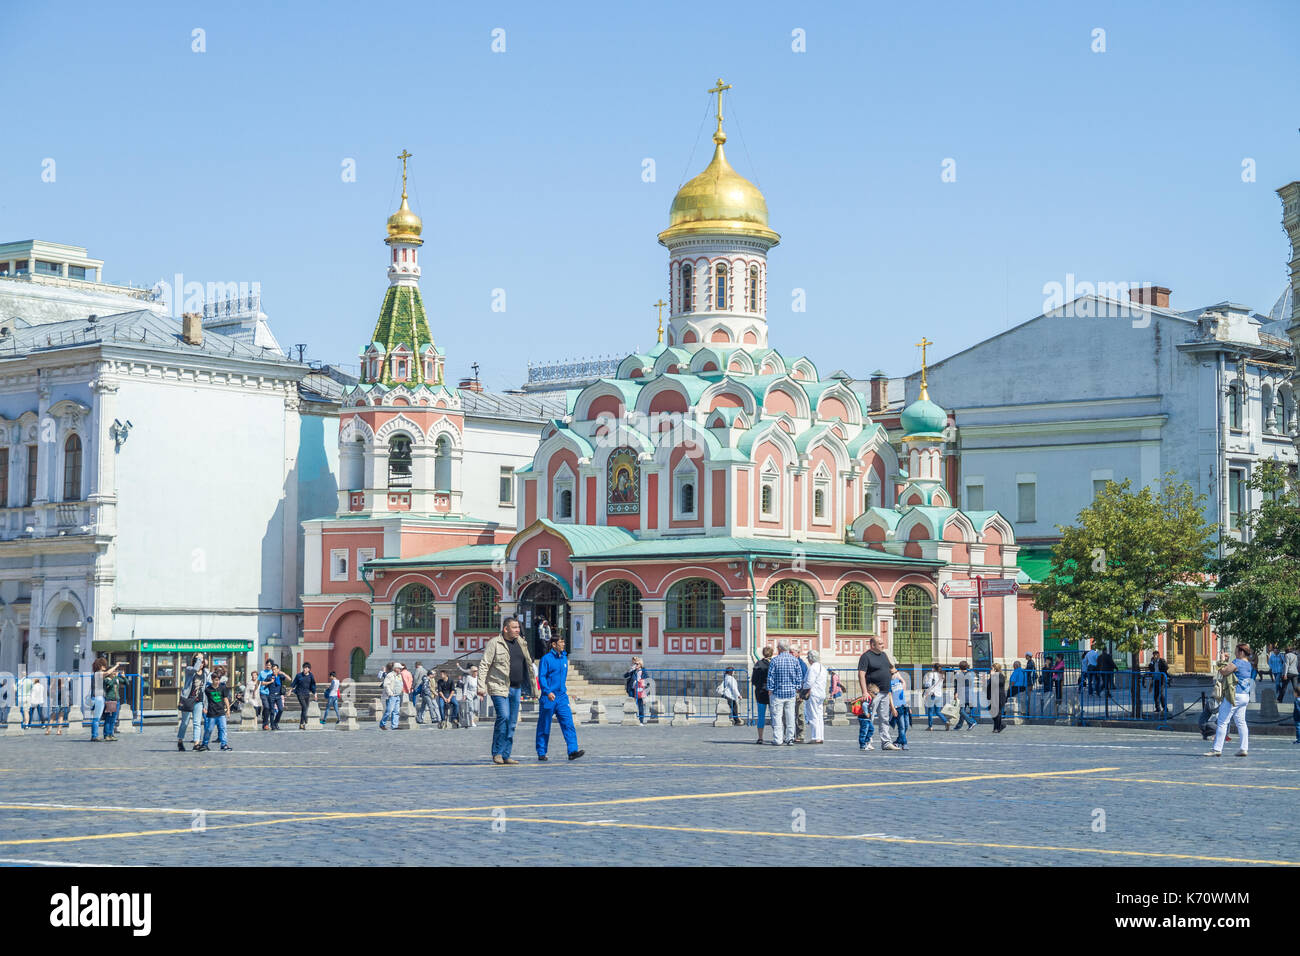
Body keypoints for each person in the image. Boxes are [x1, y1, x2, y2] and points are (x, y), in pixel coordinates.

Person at [479, 616, 537, 765]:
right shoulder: (495, 643)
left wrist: (534, 689)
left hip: (516, 688)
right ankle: (497, 752)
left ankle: (506, 754)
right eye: (514, 627)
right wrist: (481, 687)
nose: (518, 630)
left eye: (518, 627)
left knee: (512, 722)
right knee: (503, 716)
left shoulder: (521, 643)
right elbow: (484, 664)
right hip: (499, 686)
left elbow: (529, 666)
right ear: (506, 629)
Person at [536, 632, 583, 761]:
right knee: (544, 725)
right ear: (554, 644)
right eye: (561, 642)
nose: (563, 644)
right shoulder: (546, 659)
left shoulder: (564, 658)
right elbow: (542, 677)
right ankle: (541, 751)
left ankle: (572, 750)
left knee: (568, 723)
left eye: (563, 642)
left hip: (562, 697)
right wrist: (547, 691)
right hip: (549, 696)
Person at [1205, 644, 1253, 757]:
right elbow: (1232, 669)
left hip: (1234, 695)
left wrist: (1222, 660)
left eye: (1236, 651)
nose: (1235, 653)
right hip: (1244, 695)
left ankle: (1217, 749)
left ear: (1241, 652)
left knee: (1222, 722)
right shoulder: (1248, 664)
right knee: (1241, 722)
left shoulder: (1238, 662)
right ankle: (1243, 748)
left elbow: (1224, 671)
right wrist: (1227, 660)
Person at [857, 635, 899, 750]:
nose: (883, 645)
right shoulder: (866, 657)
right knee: (869, 718)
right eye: (880, 643)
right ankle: (867, 741)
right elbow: (861, 674)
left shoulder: (884, 655)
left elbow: (891, 668)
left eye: (882, 643)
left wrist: (895, 673)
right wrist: (864, 691)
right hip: (873, 693)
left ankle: (886, 742)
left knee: (884, 718)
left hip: (885, 691)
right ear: (872, 645)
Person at [766, 641, 802, 745]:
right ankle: (790, 738)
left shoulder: (775, 660)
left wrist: (770, 689)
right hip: (790, 693)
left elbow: (771, 677)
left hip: (777, 693)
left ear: (780, 648)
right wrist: (797, 687)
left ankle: (778, 739)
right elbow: (799, 676)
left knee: (777, 717)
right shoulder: (795, 660)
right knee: (790, 716)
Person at [176, 653, 207, 750]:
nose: (201, 662)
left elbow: (204, 689)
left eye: (202, 661)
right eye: (199, 660)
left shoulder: (205, 673)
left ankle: (196, 744)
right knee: (185, 722)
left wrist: (205, 704)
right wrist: (198, 658)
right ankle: (180, 741)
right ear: (195, 661)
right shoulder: (189, 669)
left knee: (197, 723)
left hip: (198, 701)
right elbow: (195, 669)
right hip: (188, 700)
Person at [199, 665, 234, 752]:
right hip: (211, 713)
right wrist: (204, 708)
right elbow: (205, 700)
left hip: (221, 712)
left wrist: (228, 710)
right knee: (209, 729)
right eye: (216, 680)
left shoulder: (222, 688)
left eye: (218, 680)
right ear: (212, 680)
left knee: (223, 728)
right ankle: (205, 744)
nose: (217, 682)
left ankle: (224, 744)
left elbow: (225, 699)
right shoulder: (208, 689)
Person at [803, 651, 827, 743]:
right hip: (821, 694)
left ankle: (815, 737)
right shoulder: (823, 668)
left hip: (813, 694)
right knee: (819, 715)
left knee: (812, 715)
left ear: (810, 658)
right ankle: (820, 736)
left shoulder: (813, 668)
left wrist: (803, 686)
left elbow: (809, 682)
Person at [751, 646, 772, 744]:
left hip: (760, 692)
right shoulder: (773, 663)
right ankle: (777, 736)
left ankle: (760, 737)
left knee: (761, 716)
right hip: (772, 692)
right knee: (775, 715)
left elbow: (753, 680)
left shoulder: (758, 664)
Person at [290, 661, 317, 730]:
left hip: (307, 694)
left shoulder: (311, 676)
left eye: (306, 668)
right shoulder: (299, 675)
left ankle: (301, 724)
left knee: (304, 709)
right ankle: (306, 722)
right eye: (304, 668)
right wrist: (290, 691)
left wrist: (315, 693)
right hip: (299, 693)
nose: (304, 669)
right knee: (304, 707)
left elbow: (313, 685)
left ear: (309, 669)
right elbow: (294, 683)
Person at [888, 664, 910, 749]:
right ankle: (904, 743)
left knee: (906, 725)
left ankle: (897, 741)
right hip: (897, 707)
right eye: (894, 673)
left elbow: (903, 692)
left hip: (904, 705)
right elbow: (890, 696)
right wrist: (893, 708)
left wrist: (900, 677)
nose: (896, 674)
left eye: (897, 672)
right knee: (902, 726)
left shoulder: (899, 681)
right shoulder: (889, 683)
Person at [623, 657, 650, 725]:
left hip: (640, 690)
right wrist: (630, 670)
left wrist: (642, 684)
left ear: (640, 664)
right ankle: (632, 719)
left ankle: (641, 720)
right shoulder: (632, 671)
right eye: (634, 663)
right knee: (632, 703)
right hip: (632, 689)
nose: (635, 665)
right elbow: (625, 676)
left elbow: (648, 682)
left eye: (637, 664)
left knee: (640, 705)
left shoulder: (644, 672)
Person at [954, 660, 979, 730]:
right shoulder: (971, 674)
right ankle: (958, 726)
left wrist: (955, 693)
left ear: (959, 667)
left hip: (963, 693)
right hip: (970, 693)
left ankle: (972, 722)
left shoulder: (958, 675)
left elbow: (957, 686)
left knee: (961, 711)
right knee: (963, 710)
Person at [922, 662, 947, 730]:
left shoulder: (931, 674)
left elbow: (929, 684)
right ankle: (946, 721)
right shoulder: (942, 675)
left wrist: (924, 686)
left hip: (932, 694)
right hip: (939, 694)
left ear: (933, 668)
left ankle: (930, 726)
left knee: (930, 711)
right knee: (938, 711)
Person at [262, 663, 286, 730]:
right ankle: (273, 725)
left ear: (278, 669)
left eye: (275, 669)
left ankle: (276, 722)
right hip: (271, 695)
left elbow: (289, 679)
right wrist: (270, 682)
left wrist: (283, 673)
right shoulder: (269, 676)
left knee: (281, 709)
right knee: (272, 711)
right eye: (272, 670)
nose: (274, 671)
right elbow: (263, 683)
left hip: (278, 695)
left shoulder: (280, 676)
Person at [378, 662, 402, 730]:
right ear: (395, 669)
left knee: (396, 711)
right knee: (389, 711)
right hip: (392, 695)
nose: (401, 669)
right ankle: (382, 724)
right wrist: (390, 693)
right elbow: (386, 685)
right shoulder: (390, 675)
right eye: (399, 668)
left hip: (397, 695)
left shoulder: (399, 675)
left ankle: (394, 726)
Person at [986, 662, 1008, 733]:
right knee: (991, 710)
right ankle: (1001, 725)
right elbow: (989, 686)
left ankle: (997, 728)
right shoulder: (992, 676)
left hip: (999, 696)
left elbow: (998, 683)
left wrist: (992, 676)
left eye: (992, 668)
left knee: (997, 712)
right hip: (992, 696)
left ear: (995, 669)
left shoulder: (1001, 676)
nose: (990, 670)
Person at [792, 648, 809, 743]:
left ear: (798, 653)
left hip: (799, 692)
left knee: (800, 714)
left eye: (792, 652)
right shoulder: (790, 662)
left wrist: (802, 694)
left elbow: (805, 680)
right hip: (791, 691)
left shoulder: (802, 664)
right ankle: (791, 734)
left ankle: (800, 734)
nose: (791, 654)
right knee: (790, 714)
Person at [1147, 651, 1169, 716]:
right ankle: (1157, 708)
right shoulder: (1153, 662)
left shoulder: (1162, 660)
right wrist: (1151, 662)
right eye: (1153, 655)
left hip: (1161, 679)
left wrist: (1162, 672)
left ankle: (1165, 708)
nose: (1154, 656)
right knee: (1155, 694)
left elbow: (1166, 667)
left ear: (1158, 655)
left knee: (1160, 694)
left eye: (1155, 655)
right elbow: (1150, 668)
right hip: (1155, 679)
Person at [856, 685, 878, 750]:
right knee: (864, 731)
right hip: (864, 718)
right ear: (870, 692)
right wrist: (866, 713)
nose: (876, 695)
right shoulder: (868, 697)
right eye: (875, 693)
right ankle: (862, 745)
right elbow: (864, 705)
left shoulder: (870, 698)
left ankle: (867, 742)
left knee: (871, 729)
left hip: (867, 718)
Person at [257, 658, 272, 727]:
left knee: (269, 708)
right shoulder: (262, 673)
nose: (268, 666)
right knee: (266, 706)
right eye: (267, 665)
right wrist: (255, 690)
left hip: (271, 692)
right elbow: (258, 682)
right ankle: (265, 723)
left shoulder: (273, 672)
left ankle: (265, 720)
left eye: (269, 665)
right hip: (263, 692)